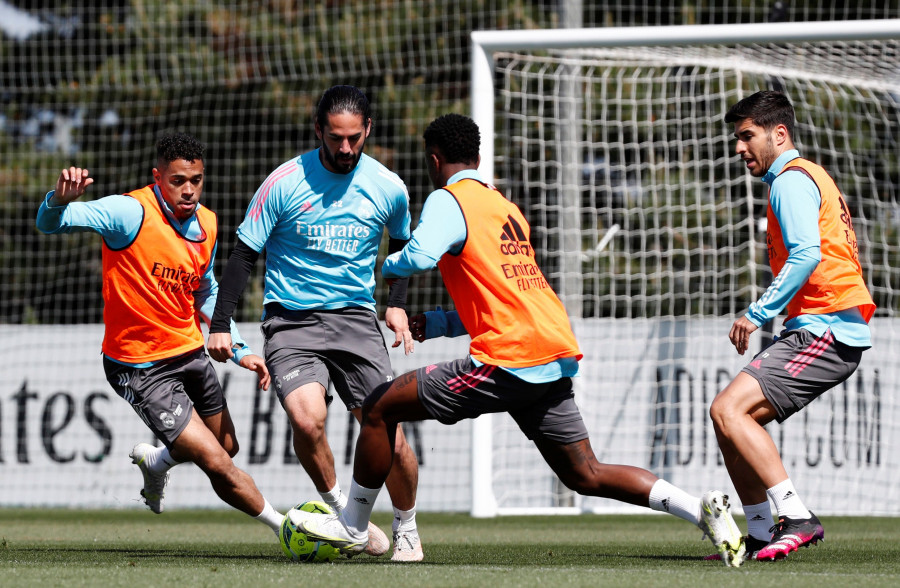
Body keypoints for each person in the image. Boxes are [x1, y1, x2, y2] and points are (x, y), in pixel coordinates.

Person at [291, 113, 746, 567]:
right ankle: (699, 510)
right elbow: (501, 297)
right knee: (585, 473)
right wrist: (436, 321)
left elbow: (419, 256)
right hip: (549, 348)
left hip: (508, 359)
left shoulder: (449, 200)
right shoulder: (504, 206)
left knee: (377, 408)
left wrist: (384, 269)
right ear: (478, 156)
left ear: (434, 160)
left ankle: (352, 525)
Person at [207, 85, 422, 562]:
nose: (345, 149)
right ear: (318, 130)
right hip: (291, 321)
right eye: (335, 138)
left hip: (356, 321)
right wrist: (220, 322)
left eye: (354, 138)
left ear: (368, 130)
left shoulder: (388, 186)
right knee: (307, 421)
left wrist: (397, 302)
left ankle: (406, 524)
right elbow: (244, 253)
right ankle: (344, 514)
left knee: (388, 430)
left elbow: (404, 248)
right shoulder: (284, 181)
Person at [35, 132, 285, 538]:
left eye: (197, 180)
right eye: (177, 181)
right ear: (158, 177)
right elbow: (49, 225)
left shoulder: (208, 222)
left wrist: (238, 348)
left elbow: (204, 288)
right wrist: (59, 199)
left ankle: (158, 462)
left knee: (227, 448)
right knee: (217, 463)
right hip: (139, 366)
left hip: (189, 352)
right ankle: (286, 528)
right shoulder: (128, 212)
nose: (189, 190)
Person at [708, 90, 875, 562]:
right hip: (820, 327)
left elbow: (807, 254)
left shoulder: (790, 180)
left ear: (779, 134)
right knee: (730, 423)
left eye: (747, 136)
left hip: (828, 330)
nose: (739, 148)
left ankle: (795, 516)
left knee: (727, 410)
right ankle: (760, 532)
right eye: (736, 138)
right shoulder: (804, 176)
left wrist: (755, 313)